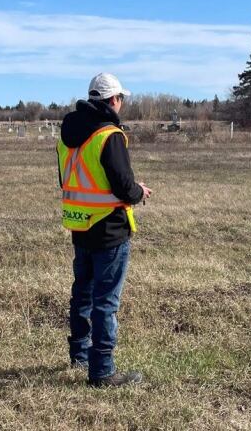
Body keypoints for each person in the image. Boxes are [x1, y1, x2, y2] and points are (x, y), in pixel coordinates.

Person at [57, 72, 152, 387]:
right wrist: (139, 191)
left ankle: (80, 357)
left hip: (80, 226)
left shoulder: (67, 134)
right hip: (110, 230)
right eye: (121, 99)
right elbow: (124, 188)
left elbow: (71, 181)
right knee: (106, 303)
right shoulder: (109, 135)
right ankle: (102, 372)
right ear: (114, 100)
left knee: (81, 297)